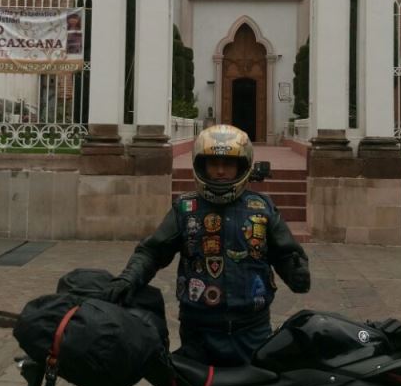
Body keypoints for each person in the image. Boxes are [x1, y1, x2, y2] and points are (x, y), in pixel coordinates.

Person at [103, 124, 311, 366]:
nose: (221, 171)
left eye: (229, 164)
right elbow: (153, 251)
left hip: (252, 331)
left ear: (242, 166)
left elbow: (286, 252)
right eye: (213, 164)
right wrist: (129, 277)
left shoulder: (262, 208)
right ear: (201, 165)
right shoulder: (186, 208)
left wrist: (296, 271)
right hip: (198, 332)